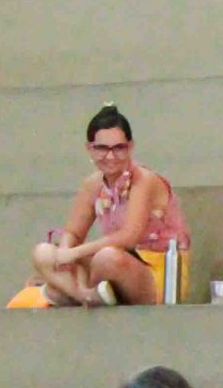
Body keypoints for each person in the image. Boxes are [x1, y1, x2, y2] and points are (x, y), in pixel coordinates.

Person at [31, 105, 189, 308]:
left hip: (155, 272)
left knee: (106, 259)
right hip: (107, 266)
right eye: (102, 148)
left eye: (119, 148)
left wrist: (73, 254)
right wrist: (64, 253)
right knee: (43, 253)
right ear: (90, 148)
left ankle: (67, 291)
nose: (111, 156)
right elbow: (73, 232)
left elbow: (129, 236)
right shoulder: (92, 184)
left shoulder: (144, 180)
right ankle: (85, 296)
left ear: (130, 147)